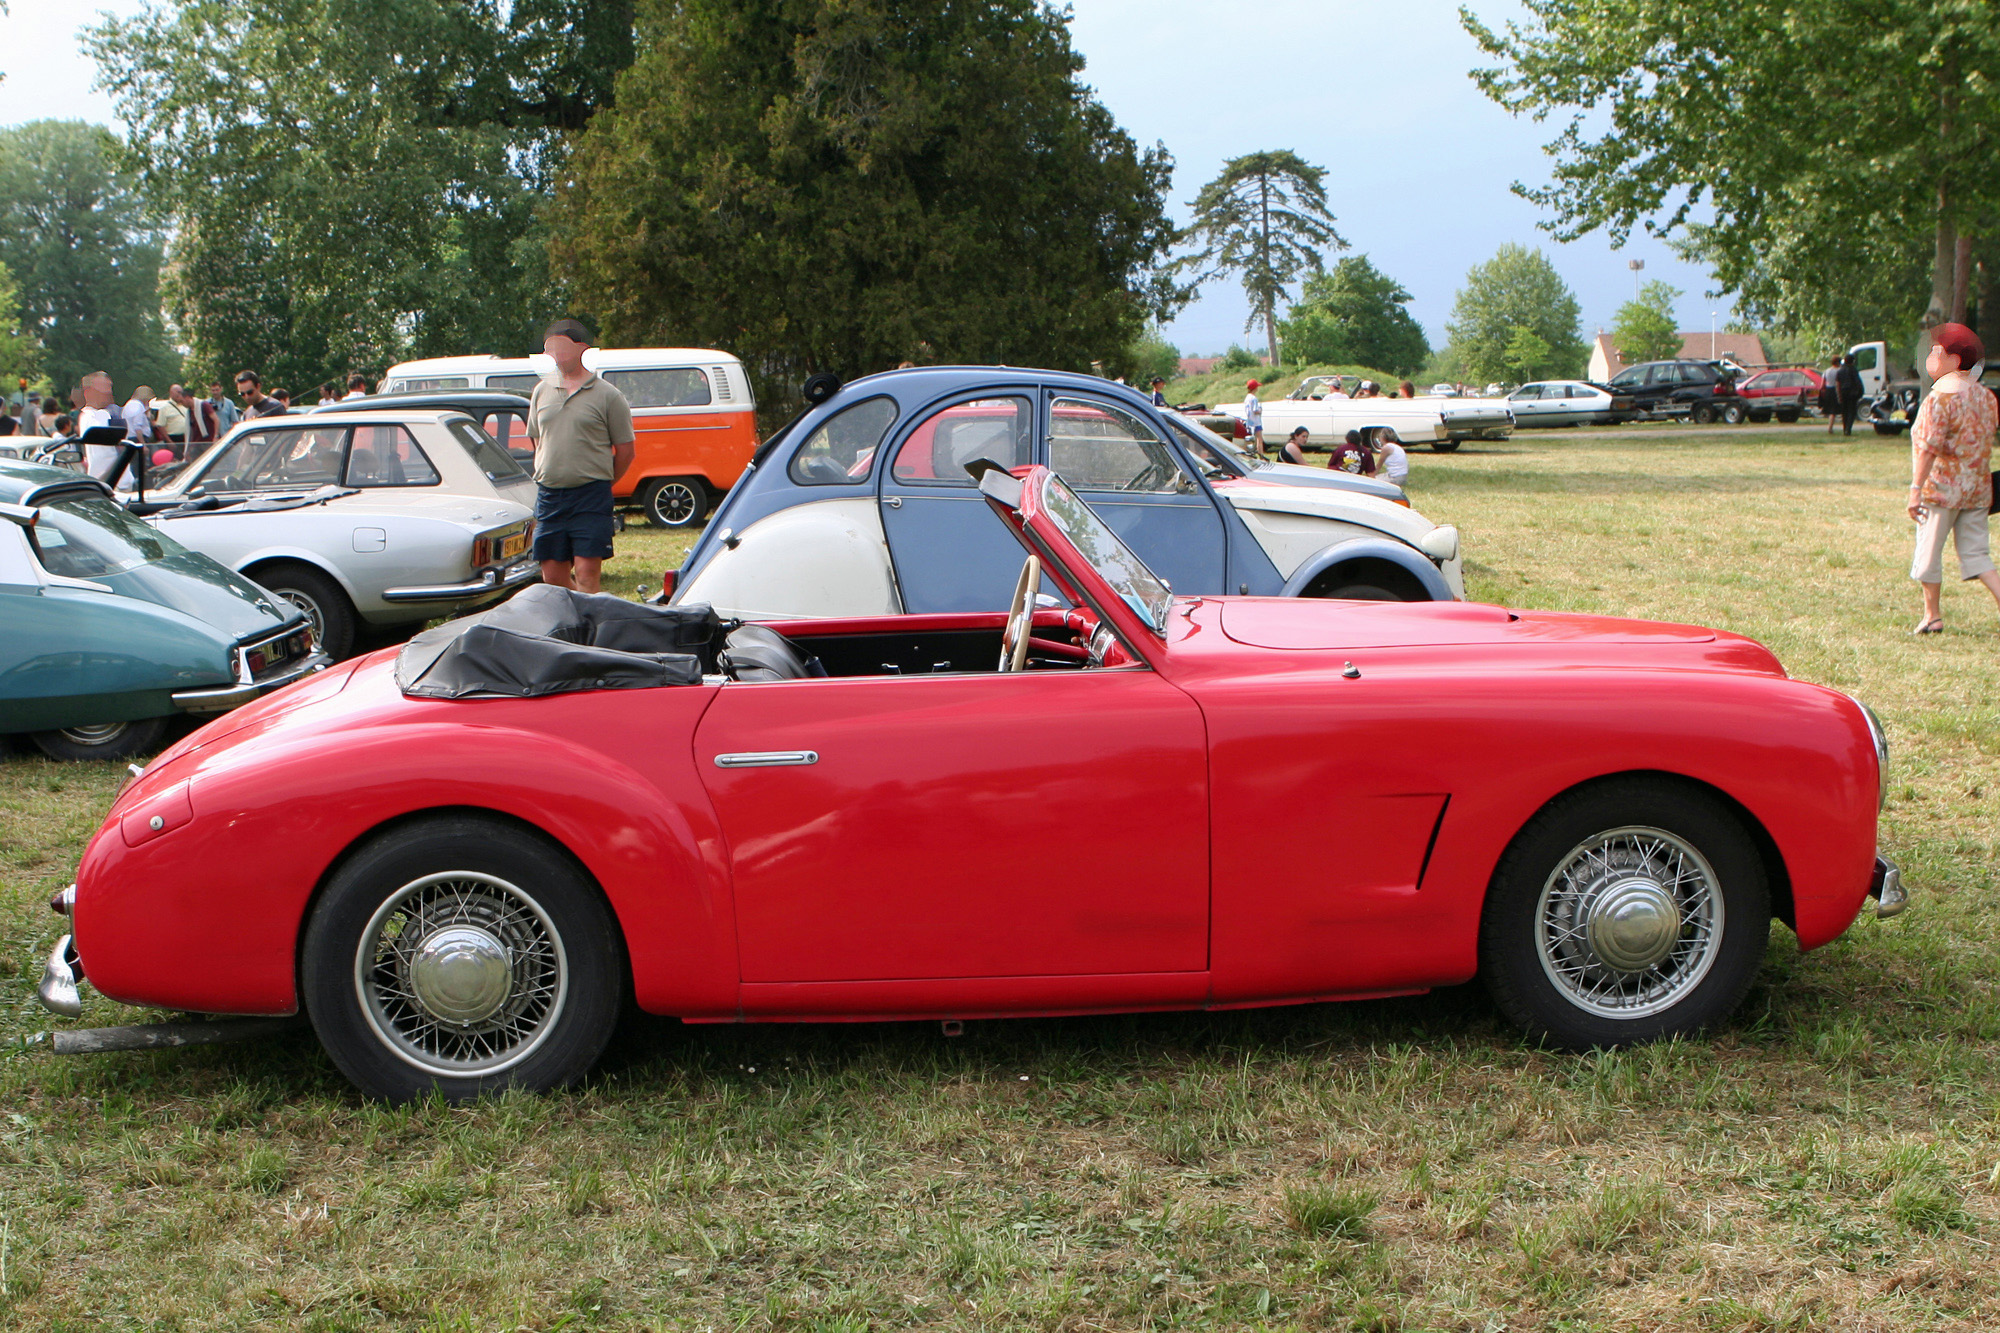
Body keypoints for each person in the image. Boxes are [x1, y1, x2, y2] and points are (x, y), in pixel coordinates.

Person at [526, 318, 635, 595]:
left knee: (587, 574)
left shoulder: (608, 396)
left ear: (582, 349)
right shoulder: (541, 391)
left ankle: (588, 634)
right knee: (552, 577)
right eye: (549, 350)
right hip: (550, 496)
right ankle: (573, 622)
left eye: (561, 349)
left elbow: (625, 451)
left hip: (590, 496)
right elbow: (537, 439)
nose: (554, 356)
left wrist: (601, 480)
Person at [1907, 322, 2000, 634]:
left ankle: (1932, 616)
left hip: (1942, 489)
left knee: (1929, 551)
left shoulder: (1940, 398)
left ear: (1956, 360)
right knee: (1977, 555)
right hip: (1977, 488)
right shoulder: (1986, 397)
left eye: (1936, 352)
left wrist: (1915, 489)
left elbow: (1928, 448)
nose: (1931, 357)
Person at [171, 383, 217, 456]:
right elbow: (189, 431)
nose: (182, 404)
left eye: (182, 401)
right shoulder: (189, 412)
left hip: (208, 442)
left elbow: (216, 420)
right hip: (196, 444)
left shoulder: (204, 405)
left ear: (187, 398)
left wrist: (216, 436)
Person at [1835, 354, 1864, 437]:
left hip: (1843, 393)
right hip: (1852, 394)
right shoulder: (1853, 370)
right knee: (1852, 411)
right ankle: (1848, 428)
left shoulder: (1840, 370)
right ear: (1852, 361)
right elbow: (1858, 382)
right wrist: (1860, 392)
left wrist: (1838, 395)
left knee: (1844, 412)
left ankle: (1845, 429)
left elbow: (1837, 384)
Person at [1819, 355, 1843, 434]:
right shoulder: (1840, 371)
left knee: (1832, 411)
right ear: (1838, 362)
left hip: (1828, 391)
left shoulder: (1826, 371)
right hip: (1837, 390)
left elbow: (1822, 385)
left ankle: (1830, 427)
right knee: (1839, 410)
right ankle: (1843, 427)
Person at [1242, 380, 1265, 456]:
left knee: (1250, 439)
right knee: (1259, 439)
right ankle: (1260, 454)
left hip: (1249, 421)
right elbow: (1255, 410)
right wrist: (1260, 410)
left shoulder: (1247, 398)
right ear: (1255, 388)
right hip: (1256, 422)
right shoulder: (1254, 398)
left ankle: (1247, 452)